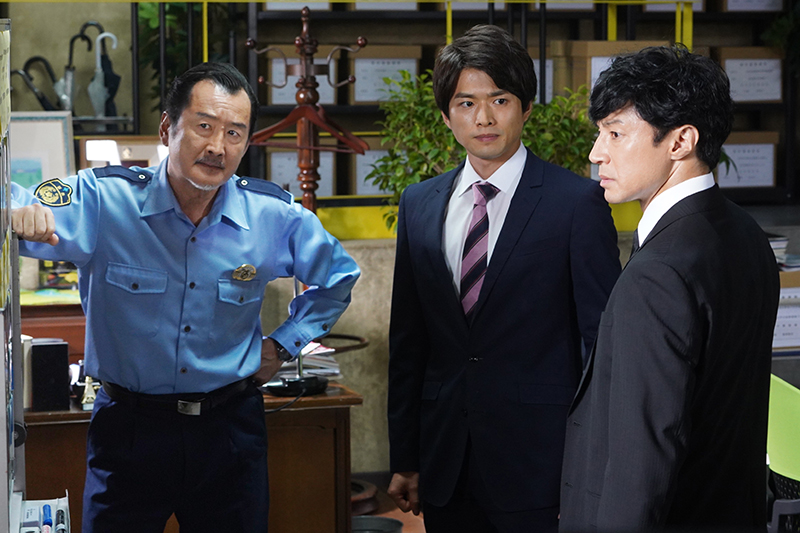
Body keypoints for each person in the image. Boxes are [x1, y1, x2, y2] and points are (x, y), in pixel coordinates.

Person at [11, 62, 360, 533]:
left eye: (234, 133)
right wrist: (18, 215)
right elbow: (15, 200)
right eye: (204, 126)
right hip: (130, 430)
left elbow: (339, 276)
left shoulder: (273, 216)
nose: (218, 147)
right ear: (167, 129)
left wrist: (283, 345)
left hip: (228, 431)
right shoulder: (103, 200)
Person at [386, 24, 621, 533]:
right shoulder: (419, 204)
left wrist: (592, 467)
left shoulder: (576, 204)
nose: (484, 118)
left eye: (500, 100)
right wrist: (405, 457)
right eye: (466, 103)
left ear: (526, 107)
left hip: (541, 465)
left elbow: (600, 346)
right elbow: (408, 342)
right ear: (446, 115)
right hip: (446, 461)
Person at [559, 45, 780, 532]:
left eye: (616, 133)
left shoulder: (658, 273)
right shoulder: (746, 233)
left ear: (681, 140)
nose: (596, 153)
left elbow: (641, 463)